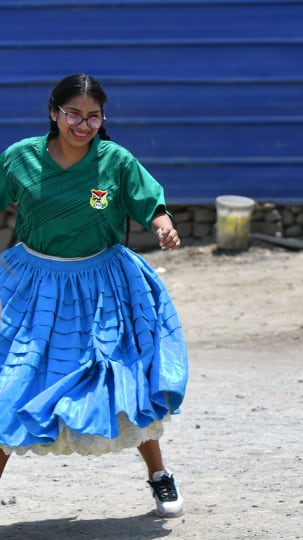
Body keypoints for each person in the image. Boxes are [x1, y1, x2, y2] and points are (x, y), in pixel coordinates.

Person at [0, 73, 187, 517]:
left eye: (93, 116)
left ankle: (159, 476)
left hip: (103, 287)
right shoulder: (20, 158)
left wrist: (162, 224)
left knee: (122, 379)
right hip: (33, 285)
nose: (83, 125)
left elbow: (148, 202)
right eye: (73, 114)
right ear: (53, 113)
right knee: (14, 381)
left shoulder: (115, 161)